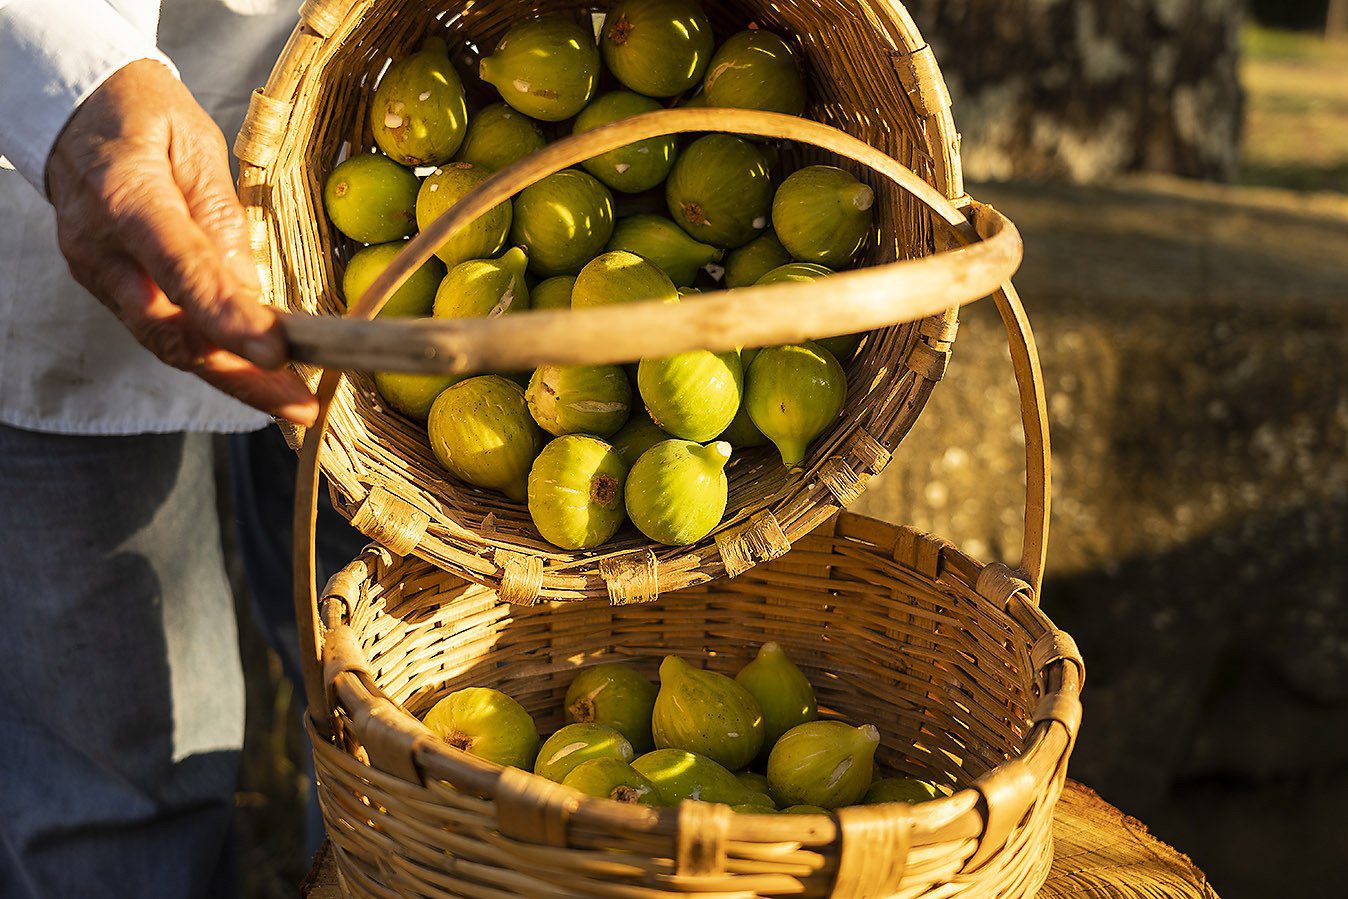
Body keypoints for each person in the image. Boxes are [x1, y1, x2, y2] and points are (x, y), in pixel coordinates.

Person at [0, 2, 363, 895]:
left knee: (391, 730)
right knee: (114, 789)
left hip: (399, 186)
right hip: (53, 179)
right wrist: (64, 75)